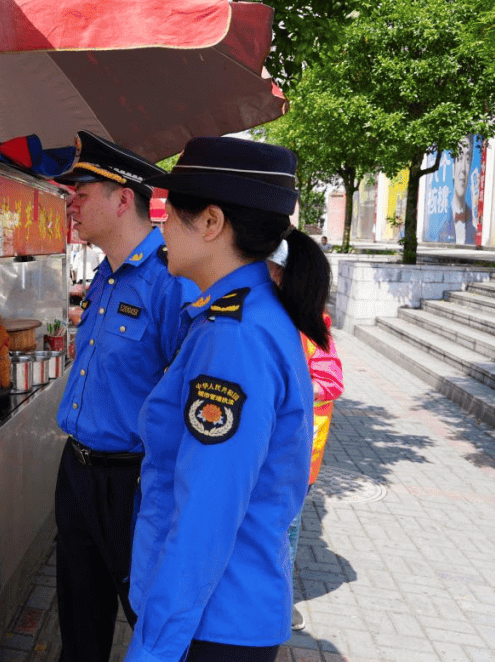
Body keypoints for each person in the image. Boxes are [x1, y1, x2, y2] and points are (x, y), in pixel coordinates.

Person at [125, 137, 330, 662]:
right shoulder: (238, 316)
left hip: (211, 624)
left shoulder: (232, 337)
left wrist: (152, 648)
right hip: (218, 613)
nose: (160, 228)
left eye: (168, 214)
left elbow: (205, 516)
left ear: (211, 223)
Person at [53, 130, 197, 662]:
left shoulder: (170, 280)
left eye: (82, 191)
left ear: (121, 198)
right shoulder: (106, 277)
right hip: (77, 472)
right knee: (78, 620)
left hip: (133, 484)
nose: (71, 201)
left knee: (147, 620)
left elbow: (188, 399)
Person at [268, 240, 345, 632]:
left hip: (299, 459)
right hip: (274, 455)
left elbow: (331, 381)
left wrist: (294, 387)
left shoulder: (315, 330)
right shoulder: (269, 319)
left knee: (287, 529)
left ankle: (281, 602)